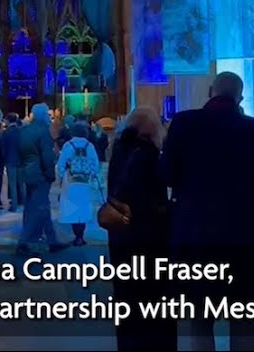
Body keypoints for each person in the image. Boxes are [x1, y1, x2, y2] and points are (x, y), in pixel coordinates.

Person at [162, 71, 254, 351]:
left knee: (200, 314)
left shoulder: (184, 123)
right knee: (242, 315)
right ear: (241, 97)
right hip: (242, 231)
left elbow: (167, 174)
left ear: (211, 91)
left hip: (194, 231)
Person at [105, 107, 175, 351]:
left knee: (127, 301)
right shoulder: (147, 155)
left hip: (121, 236)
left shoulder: (118, 151)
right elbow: (149, 200)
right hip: (148, 238)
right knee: (153, 300)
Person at [17, 104, 64, 254]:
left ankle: (52, 240)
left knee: (38, 206)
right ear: (43, 115)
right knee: (38, 208)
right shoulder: (44, 132)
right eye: (48, 114)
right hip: (40, 175)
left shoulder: (24, 131)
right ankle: (23, 243)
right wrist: (50, 174)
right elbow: (46, 156)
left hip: (27, 172)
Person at [56, 121, 101, 246]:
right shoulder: (90, 146)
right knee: (83, 207)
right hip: (85, 181)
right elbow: (95, 164)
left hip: (70, 181)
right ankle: (81, 235)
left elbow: (61, 164)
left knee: (73, 208)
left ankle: (76, 235)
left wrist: (61, 178)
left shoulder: (68, 145)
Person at [1, 114, 24, 212]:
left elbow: (3, 148)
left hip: (10, 160)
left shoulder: (6, 133)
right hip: (21, 160)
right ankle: (23, 202)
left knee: (12, 184)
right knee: (21, 183)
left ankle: (14, 205)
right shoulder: (21, 131)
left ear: (8, 121)